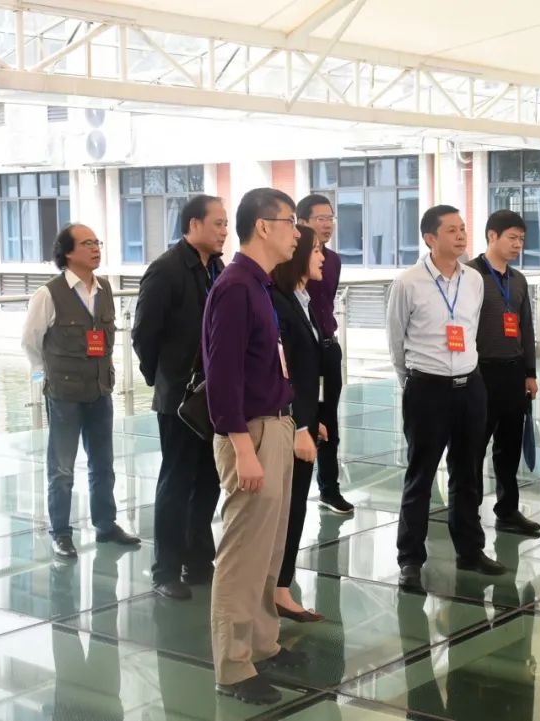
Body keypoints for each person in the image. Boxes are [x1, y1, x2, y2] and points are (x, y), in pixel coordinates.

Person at [202, 188, 313, 705]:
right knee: (243, 554)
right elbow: (221, 377)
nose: (298, 232)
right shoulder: (235, 287)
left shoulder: (261, 285)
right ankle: (232, 665)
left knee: (269, 550)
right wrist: (243, 448)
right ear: (264, 227)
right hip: (251, 433)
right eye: (291, 221)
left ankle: (263, 644)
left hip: (277, 425)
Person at [387, 204, 505, 592]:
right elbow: (396, 342)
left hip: (470, 386)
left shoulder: (474, 280)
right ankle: (410, 560)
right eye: (451, 230)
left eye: (463, 228)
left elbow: (470, 330)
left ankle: (470, 550)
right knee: (420, 475)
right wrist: (413, 381)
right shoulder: (408, 283)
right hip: (427, 389)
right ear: (430, 238)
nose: (461, 235)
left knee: (468, 472)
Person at [22, 223, 141, 560]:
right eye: (87, 243)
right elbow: (30, 342)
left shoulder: (104, 288)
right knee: (61, 469)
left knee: (103, 464)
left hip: (100, 389)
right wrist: (43, 378)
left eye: (97, 242)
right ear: (68, 252)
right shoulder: (49, 294)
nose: (95, 248)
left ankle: (106, 524)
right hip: (64, 394)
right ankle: (61, 533)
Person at [132, 194, 227, 600]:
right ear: (193, 225)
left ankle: (198, 560)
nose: (224, 231)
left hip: (214, 393)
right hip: (179, 397)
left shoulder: (217, 268)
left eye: (225, 224)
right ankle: (165, 569)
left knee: (208, 479)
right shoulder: (166, 269)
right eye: (218, 223)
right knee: (176, 481)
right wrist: (163, 379)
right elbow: (143, 334)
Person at [466, 209, 540, 537]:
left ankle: (508, 509)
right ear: (492, 236)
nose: (518, 244)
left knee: (509, 447)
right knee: (474, 447)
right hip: (479, 373)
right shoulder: (470, 275)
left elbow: (526, 327)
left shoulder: (518, 280)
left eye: (522, 239)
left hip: (513, 373)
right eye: (512, 238)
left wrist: (530, 373)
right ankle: (468, 513)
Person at [271, 225, 330, 623]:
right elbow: (284, 372)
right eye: (316, 250)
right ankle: (277, 589)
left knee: (294, 509)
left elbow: (309, 372)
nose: (323, 257)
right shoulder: (278, 301)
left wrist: (315, 417)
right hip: (288, 425)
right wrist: (300, 427)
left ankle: (281, 586)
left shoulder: (302, 299)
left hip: (304, 418)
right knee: (286, 511)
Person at [299, 194, 354, 516]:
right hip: (303, 352)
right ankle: (294, 489)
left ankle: (329, 488)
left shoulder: (332, 260)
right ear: (302, 222)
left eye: (330, 217)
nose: (327, 224)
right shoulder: (289, 260)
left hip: (328, 348)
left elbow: (327, 303)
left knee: (329, 419)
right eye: (320, 218)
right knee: (303, 420)